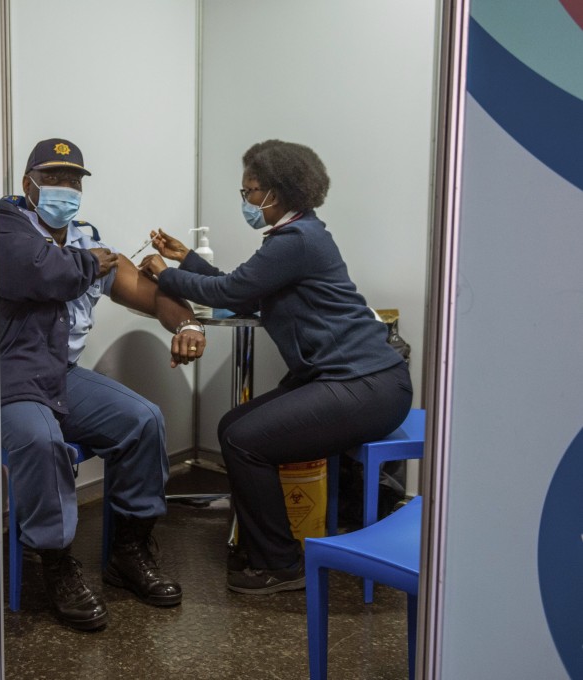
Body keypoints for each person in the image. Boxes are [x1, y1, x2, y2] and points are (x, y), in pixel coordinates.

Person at [139, 140, 412, 595]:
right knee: (232, 426)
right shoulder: (298, 236)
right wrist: (185, 258)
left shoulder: (298, 240)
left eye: (250, 191)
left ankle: (280, 563)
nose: (246, 200)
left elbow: (230, 292)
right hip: (350, 380)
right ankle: (268, 546)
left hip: (368, 386)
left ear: (278, 192)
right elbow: (245, 289)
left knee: (246, 441)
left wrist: (162, 274)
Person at [0, 138, 207, 630]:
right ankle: (55, 563)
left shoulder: (86, 236)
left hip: (62, 375)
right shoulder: (6, 224)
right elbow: (42, 274)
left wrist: (188, 324)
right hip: (11, 376)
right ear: (29, 183)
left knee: (143, 420)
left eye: (73, 181)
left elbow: (148, 293)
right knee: (40, 438)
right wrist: (95, 262)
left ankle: (128, 552)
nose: (64, 189)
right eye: (53, 179)